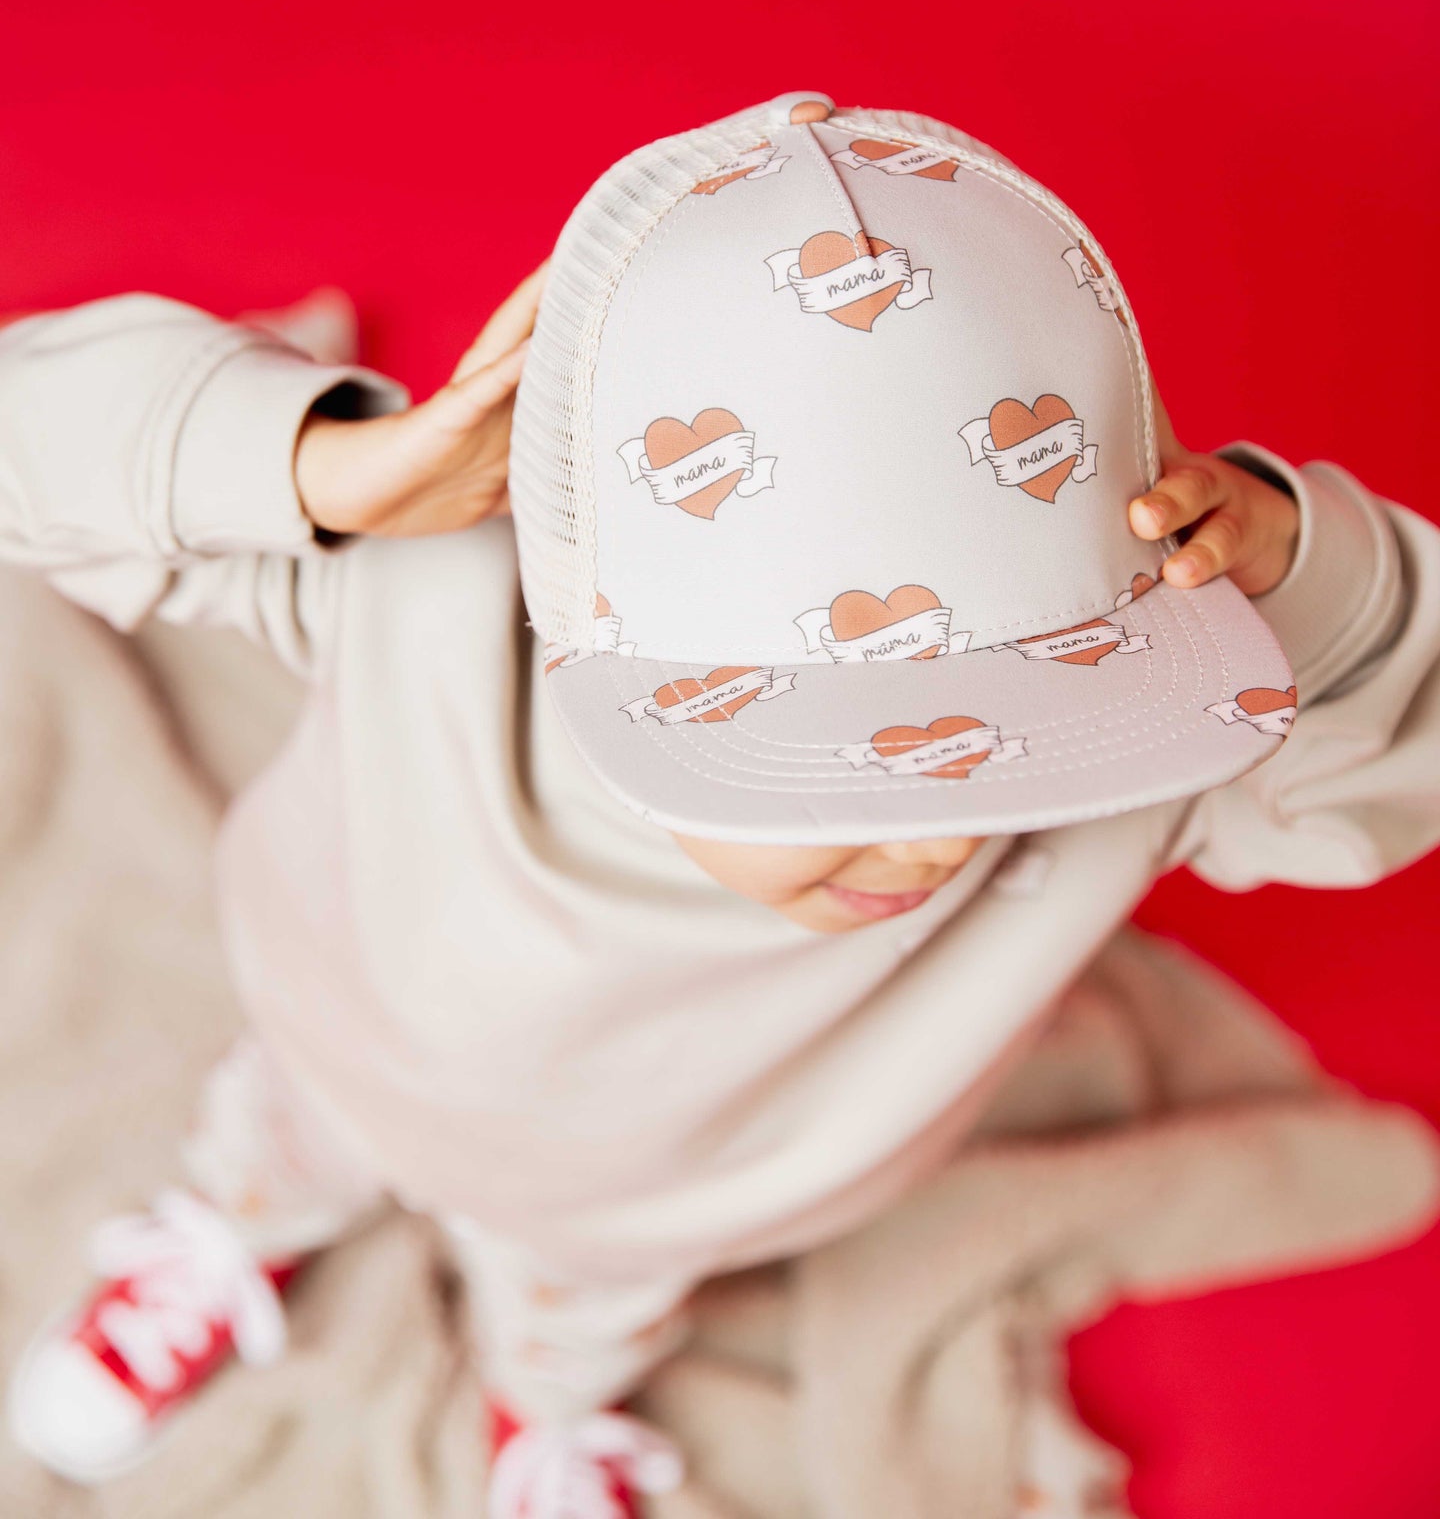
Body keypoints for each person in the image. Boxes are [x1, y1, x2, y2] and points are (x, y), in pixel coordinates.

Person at [3, 91, 1438, 1518]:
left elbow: (1394, 770)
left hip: (658, 1215)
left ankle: (547, 1413)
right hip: (338, 1054)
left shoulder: (1121, 772)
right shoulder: (426, 593)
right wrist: (326, 469)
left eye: (1009, 743)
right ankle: (219, 1245)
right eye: (839, 760)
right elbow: (28, 449)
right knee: (265, 1156)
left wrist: (1318, 578)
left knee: (578, 1329)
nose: (944, 837)